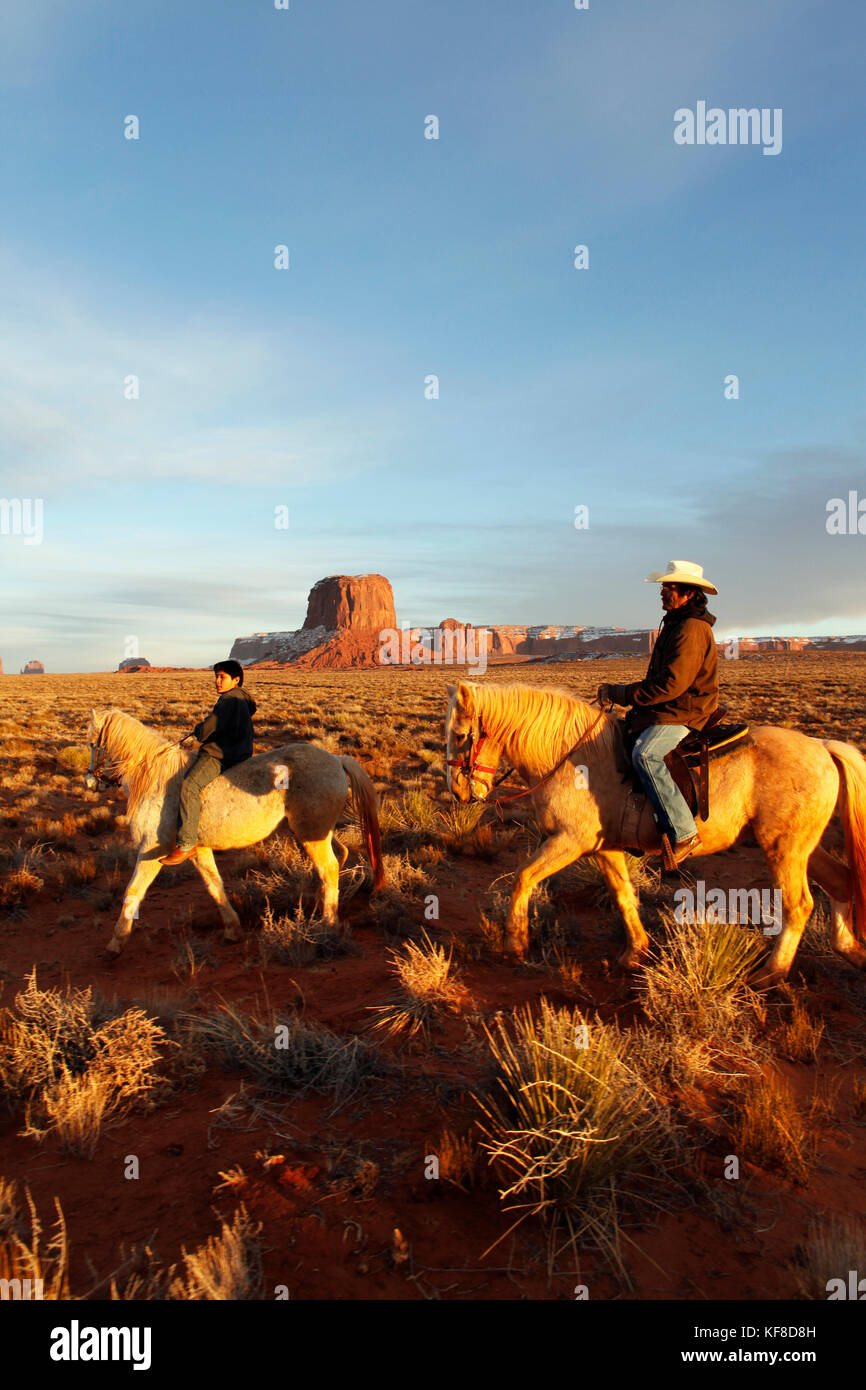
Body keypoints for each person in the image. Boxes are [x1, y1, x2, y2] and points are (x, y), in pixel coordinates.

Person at [597, 560, 719, 868]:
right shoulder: (677, 623)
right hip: (670, 708)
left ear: (689, 593)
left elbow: (672, 684)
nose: (663, 592)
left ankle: (684, 832)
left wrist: (622, 694)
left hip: (685, 712)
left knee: (646, 755)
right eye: (663, 587)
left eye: (670, 587)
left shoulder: (691, 627)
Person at [161, 660, 257, 865]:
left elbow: (206, 732)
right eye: (216, 677)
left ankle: (186, 843)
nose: (217, 681)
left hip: (222, 755)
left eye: (222, 677)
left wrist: (198, 729)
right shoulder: (242, 700)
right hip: (241, 752)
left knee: (189, 786)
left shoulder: (230, 699)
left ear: (236, 680)